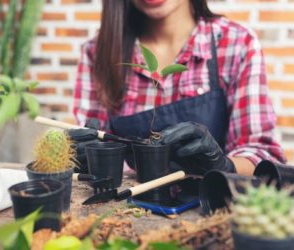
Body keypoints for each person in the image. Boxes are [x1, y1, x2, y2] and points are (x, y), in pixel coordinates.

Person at [70, 0, 286, 176]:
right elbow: (89, 144)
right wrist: (84, 155)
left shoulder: (236, 44)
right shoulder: (98, 52)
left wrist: (224, 166)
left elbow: (263, 155)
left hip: (213, 214)